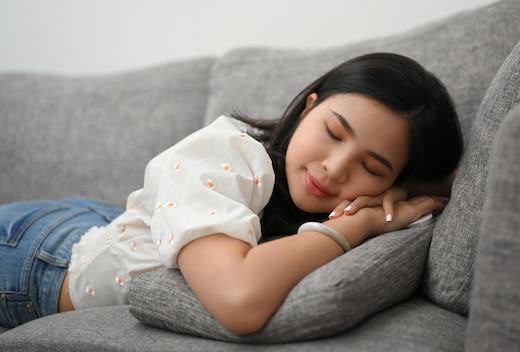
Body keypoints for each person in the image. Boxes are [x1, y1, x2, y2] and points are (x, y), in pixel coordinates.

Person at [0, 52, 463, 333]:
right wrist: (358, 224)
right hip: (39, 255)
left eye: (370, 166)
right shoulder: (228, 153)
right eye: (334, 133)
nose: (335, 169)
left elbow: (449, 184)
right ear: (309, 107)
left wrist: (397, 191)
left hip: (117, 226)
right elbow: (240, 300)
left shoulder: (375, 190)